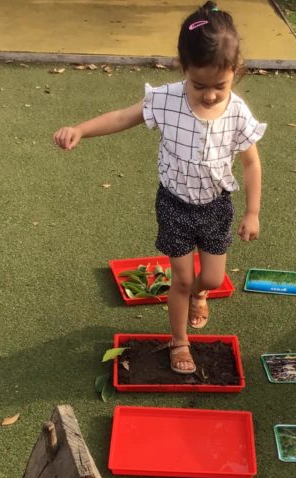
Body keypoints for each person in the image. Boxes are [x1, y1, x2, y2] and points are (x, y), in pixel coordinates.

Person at [53, 1, 264, 374]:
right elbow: (123, 116)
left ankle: (201, 293)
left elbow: (251, 162)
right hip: (174, 205)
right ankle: (179, 341)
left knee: (211, 278)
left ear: (236, 70)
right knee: (181, 280)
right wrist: (81, 129)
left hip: (216, 207)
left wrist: (252, 211)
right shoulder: (166, 99)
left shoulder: (237, 112)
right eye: (199, 85)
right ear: (184, 68)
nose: (210, 95)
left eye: (220, 85)